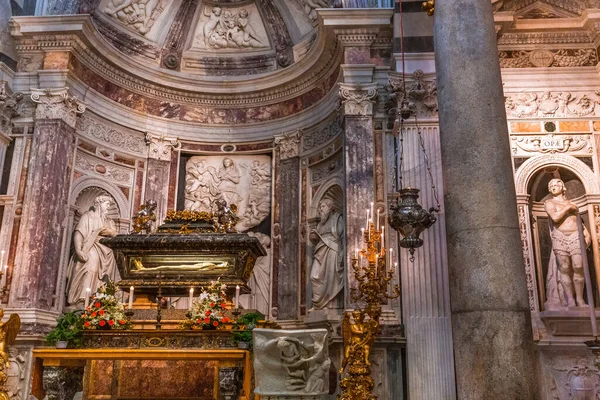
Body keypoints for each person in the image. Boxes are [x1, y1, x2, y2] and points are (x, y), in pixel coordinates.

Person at [66, 195, 121, 307]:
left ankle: (98, 300)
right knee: (91, 269)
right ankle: (82, 299)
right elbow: (79, 233)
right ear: (99, 204)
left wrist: (103, 230)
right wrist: (78, 250)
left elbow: (114, 233)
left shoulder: (109, 221)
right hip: (90, 247)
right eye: (106, 204)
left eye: (109, 205)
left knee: (105, 277)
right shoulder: (88, 217)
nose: (108, 207)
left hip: (106, 251)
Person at [544, 178, 591, 307]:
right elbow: (555, 217)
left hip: (576, 235)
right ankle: (570, 299)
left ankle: (580, 299)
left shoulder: (571, 203)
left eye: (557, 184)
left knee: (578, 266)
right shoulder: (549, 203)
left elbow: (578, 222)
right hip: (560, 236)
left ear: (563, 187)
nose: (554, 186)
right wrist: (568, 207)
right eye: (551, 185)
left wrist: (586, 234)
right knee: (564, 268)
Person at [309, 198, 344, 310]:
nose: (320, 210)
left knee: (330, 278)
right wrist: (313, 238)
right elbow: (317, 240)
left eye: (323, 206)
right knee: (314, 276)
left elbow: (343, 236)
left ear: (330, 207)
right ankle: (318, 304)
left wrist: (342, 254)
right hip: (320, 252)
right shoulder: (320, 224)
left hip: (332, 250)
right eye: (320, 207)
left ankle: (330, 304)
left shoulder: (338, 218)